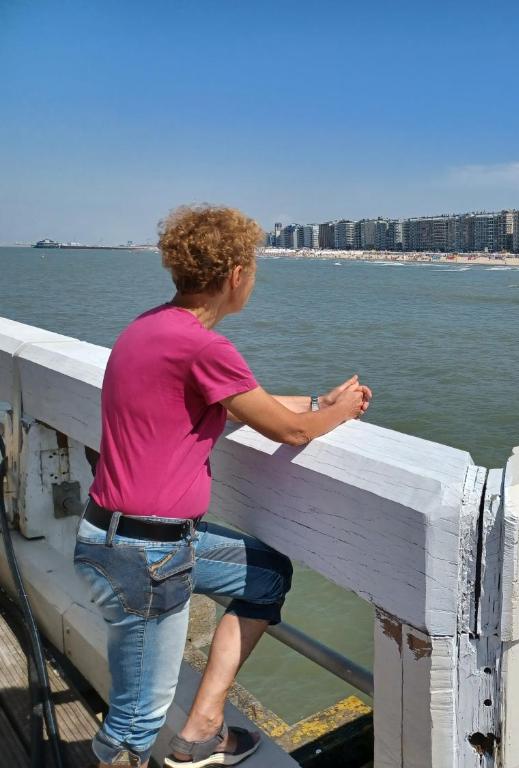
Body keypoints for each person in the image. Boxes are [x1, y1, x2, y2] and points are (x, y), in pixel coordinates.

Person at [73, 205, 371, 768]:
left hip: (125, 537)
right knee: (135, 722)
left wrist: (320, 403)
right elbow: (290, 430)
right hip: (147, 554)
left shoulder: (148, 329)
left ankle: (204, 728)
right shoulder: (204, 347)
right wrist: (345, 409)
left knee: (265, 575)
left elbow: (243, 406)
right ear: (236, 274)